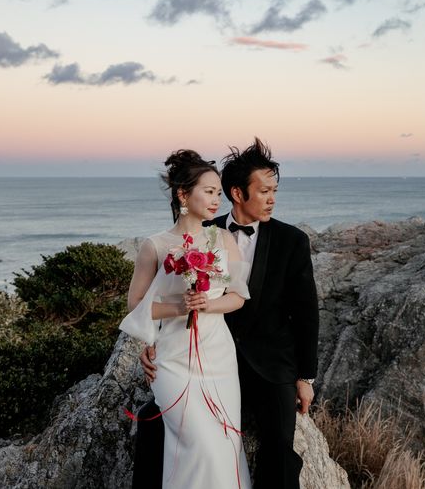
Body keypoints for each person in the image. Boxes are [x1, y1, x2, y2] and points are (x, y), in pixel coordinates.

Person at [136, 138, 319, 489]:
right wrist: (151, 342)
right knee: (151, 419)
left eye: (274, 191)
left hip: (270, 366)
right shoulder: (204, 230)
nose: (272, 199)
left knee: (279, 444)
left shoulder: (292, 241)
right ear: (237, 193)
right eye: (264, 191)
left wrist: (305, 377)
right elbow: (165, 292)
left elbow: (306, 313)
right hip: (207, 357)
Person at [119, 149, 252, 489]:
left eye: (218, 192)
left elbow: (238, 296)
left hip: (218, 356)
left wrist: (207, 304)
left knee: (223, 445)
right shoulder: (155, 246)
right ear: (183, 194)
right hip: (173, 358)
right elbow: (136, 306)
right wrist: (180, 307)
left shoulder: (223, 239)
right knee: (196, 444)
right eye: (209, 191)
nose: (216, 199)